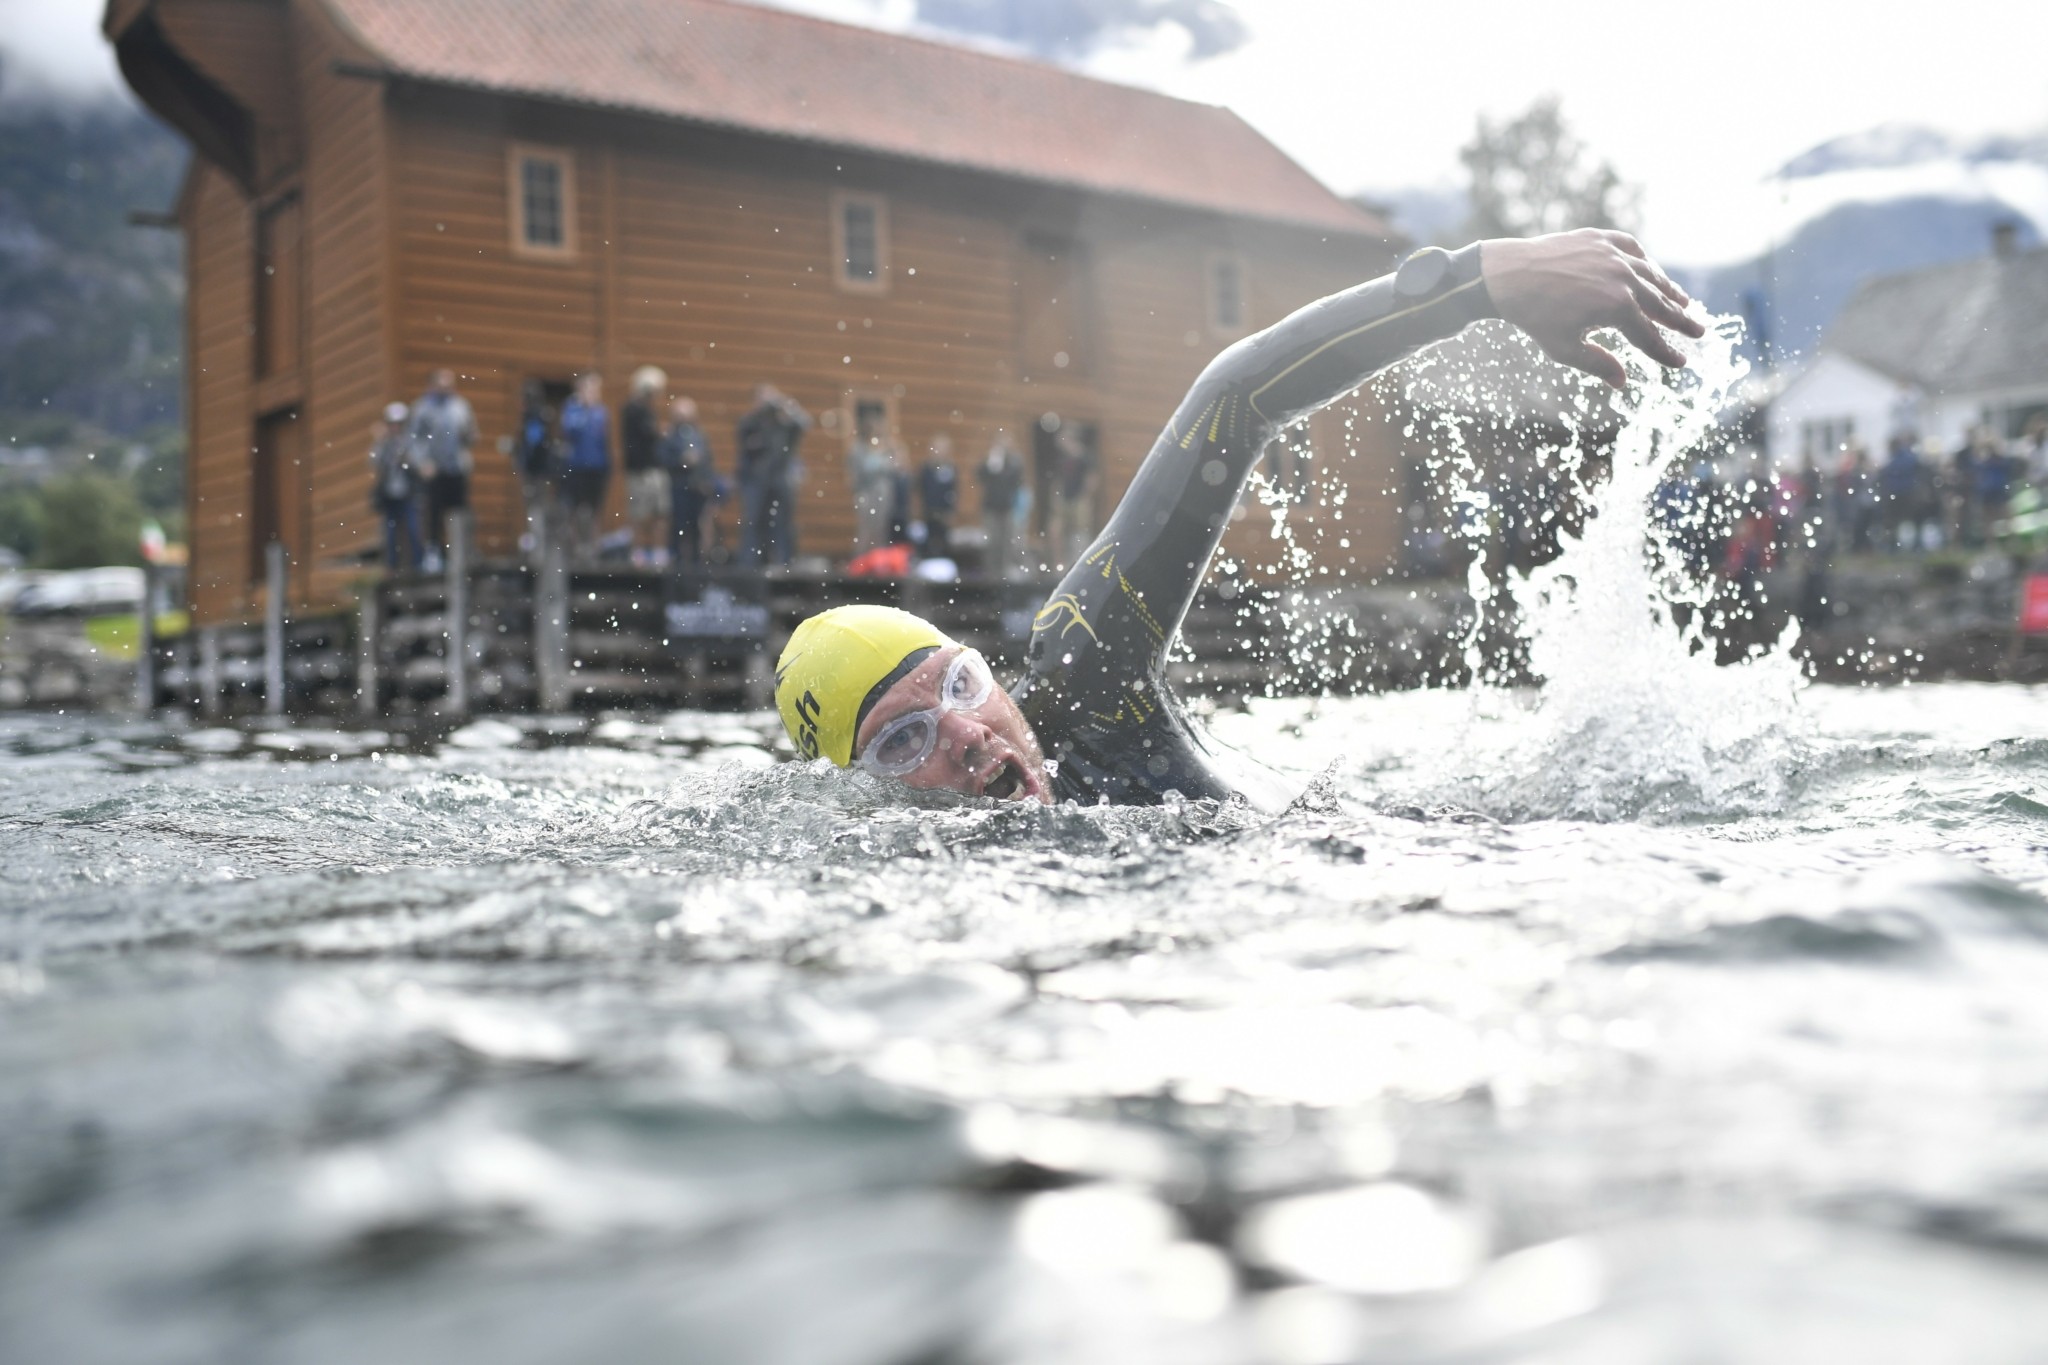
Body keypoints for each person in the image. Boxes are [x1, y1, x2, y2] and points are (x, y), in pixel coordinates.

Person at [772, 228, 1706, 807]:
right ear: (858, 798)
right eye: (904, 741)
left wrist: (1478, 282)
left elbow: (1238, 397)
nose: (968, 734)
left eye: (962, 683)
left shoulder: (1088, 685)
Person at [406, 368, 477, 572]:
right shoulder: (422, 409)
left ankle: (462, 552)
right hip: (434, 469)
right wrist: (422, 463)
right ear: (433, 385)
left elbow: (471, 434)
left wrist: (468, 435)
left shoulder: (460, 407)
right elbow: (413, 440)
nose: (447, 388)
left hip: (456, 468)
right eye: (443, 384)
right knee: (433, 514)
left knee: (460, 511)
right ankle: (433, 552)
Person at [736, 385, 810, 567]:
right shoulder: (750, 422)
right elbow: (746, 442)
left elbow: (805, 423)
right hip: (755, 481)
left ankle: (786, 562)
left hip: (780, 479)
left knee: (782, 522)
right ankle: (750, 563)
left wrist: (786, 405)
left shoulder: (784, 423)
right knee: (754, 521)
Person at [558, 372, 611, 562]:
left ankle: (592, 549)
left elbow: (603, 440)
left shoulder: (601, 411)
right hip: (577, 466)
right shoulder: (572, 409)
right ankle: (575, 548)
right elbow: (570, 431)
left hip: (597, 466)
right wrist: (584, 410)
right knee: (574, 507)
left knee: (594, 508)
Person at [659, 396, 717, 568]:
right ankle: (676, 559)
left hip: (697, 487)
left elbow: (707, 460)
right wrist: (681, 461)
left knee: (696, 524)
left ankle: (696, 561)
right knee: (678, 523)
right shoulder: (670, 436)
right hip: (679, 485)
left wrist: (707, 480)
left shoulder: (699, 435)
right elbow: (663, 459)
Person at [622, 365, 669, 566]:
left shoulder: (649, 411)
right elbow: (645, 435)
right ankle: (637, 552)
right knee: (638, 514)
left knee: (660, 512)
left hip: (654, 469)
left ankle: (659, 552)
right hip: (639, 471)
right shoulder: (632, 410)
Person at [369, 401, 422, 571]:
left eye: (398, 424)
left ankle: (417, 565)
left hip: (407, 494)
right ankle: (391, 567)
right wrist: (380, 441)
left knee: (413, 529)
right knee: (390, 534)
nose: (395, 427)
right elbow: (373, 461)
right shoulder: (384, 444)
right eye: (392, 424)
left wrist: (405, 458)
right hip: (389, 496)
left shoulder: (410, 442)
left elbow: (417, 463)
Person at [512, 380, 558, 559]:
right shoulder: (541, 415)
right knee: (537, 509)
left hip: (535, 472)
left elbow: (534, 443)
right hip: (540, 471)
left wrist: (520, 457)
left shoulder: (534, 416)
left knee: (536, 509)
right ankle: (538, 547)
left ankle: (538, 550)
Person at [979, 431, 1025, 578]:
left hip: (1007, 507)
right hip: (991, 508)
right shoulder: (990, 459)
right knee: (993, 541)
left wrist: (1002, 466)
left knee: (1007, 541)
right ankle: (992, 572)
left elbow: (1015, 479)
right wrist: (991, 463)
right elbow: (980, 476)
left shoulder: (1014, 461)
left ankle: (1005, 571)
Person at [848, 431, 901, 555]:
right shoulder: (859, 451)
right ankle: (861, 559)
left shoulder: (886, 453)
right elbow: (861, 473)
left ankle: (878, 559)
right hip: (866, 496)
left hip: (882, 497)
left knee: (880, 529)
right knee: (866, 529)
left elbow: (896, 469)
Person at [918, 433, 960, 561]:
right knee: (928, 543)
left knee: (944, 544)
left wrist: (952, 511)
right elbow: (920, 490)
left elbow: (954, 490)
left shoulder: (951, 468)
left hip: (944, 513)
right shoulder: (926, 468)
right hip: (929, 512)